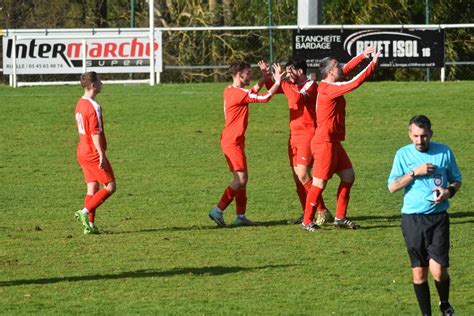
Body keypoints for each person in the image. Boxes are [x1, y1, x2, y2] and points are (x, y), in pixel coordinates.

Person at [388, 115, 461, 316]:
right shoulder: (402, 155)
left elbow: (457, 180)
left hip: (438, 219)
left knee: (438, 271)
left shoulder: (444, 152)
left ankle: (444, 303)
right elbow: (392, 187)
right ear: (410, 135)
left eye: (424, 136)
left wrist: (449, 192)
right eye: (416, 136)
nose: (420, 141)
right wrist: (414, 172)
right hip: (412, 219)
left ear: (431, 133)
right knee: (419, 272)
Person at [302, 47, 381, 231]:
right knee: (319, 183)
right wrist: (372, 64)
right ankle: (307, 221)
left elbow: (346, 72)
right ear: (330, 71)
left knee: (348, 176)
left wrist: (362, 56)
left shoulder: (331, 83)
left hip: (334, 142)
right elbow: (354, 83)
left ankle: (340, 217)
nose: (341, 67)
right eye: (337, 65)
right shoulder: (329, 89)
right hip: (324, 143)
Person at [208, 60, 284, 227]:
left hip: (235, 140)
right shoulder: (238, 94)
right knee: (240, 179)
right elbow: (263, 98)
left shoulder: (231, 90)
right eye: (248, 73)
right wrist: (277, 81)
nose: (250, 76)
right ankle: (218, 210)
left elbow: (251, 91)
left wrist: (264, 79)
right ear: (239, 75)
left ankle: (241, 217)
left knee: (243, 179)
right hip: (232, 141)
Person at [260, 58, 331, 225]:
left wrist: (282, 82)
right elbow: (272, 87)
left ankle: (322, 210)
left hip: (308, 134)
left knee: (303, 174)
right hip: (294, 136)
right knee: (297, 178)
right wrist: (267, 75)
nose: (287, 74)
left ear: (300, 71)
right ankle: (307, 212)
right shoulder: (291, 85)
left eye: (290, 70)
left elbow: (298, 99)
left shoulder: (311, 85)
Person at [74, 71, 116, 234]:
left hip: (82, 150)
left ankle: (89, 226)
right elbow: (95, 132)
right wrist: (101, 154)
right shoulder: (93, 106)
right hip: (92, 152)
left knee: (92, 188)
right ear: (93, 85)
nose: (101, 83)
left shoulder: (80, 103)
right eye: (99, 80)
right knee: (110, 186)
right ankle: (84, 212)